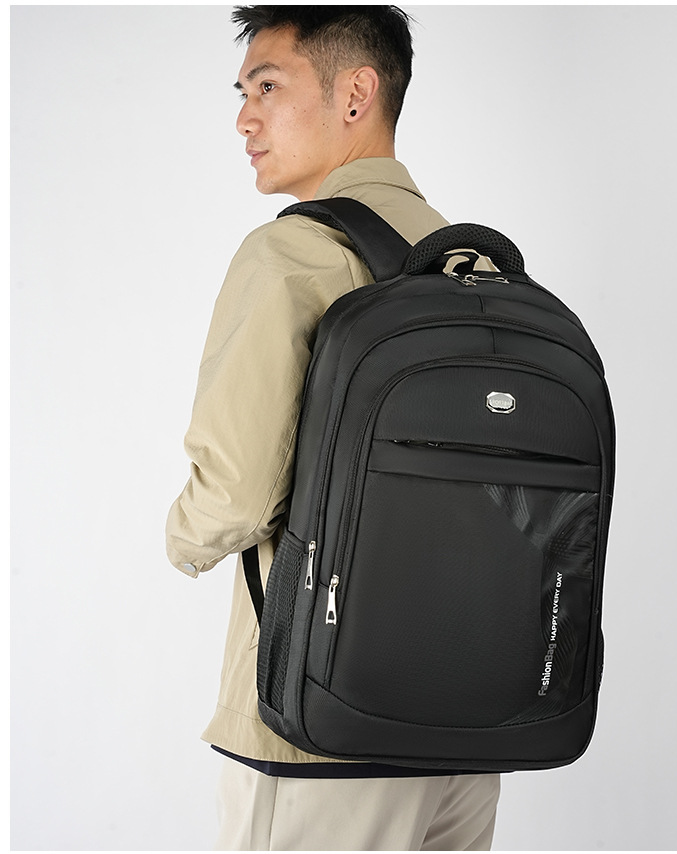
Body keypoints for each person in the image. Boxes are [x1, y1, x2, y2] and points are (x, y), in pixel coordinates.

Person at [166, 6, 501, 850]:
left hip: (321, 728)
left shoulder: (292, 256)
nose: (244, 119)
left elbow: (235, 496)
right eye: (241, 94)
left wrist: (180, 539)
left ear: (356, 94)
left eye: (267, 87)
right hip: (474, 724)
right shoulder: (480, 267)